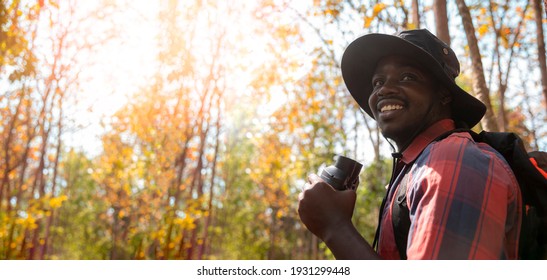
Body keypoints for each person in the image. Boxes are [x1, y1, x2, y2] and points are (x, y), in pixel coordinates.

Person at [297, 29, 522, 260]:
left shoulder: (451, 159)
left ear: (444, 94)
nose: (383, 90)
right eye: (378, 82)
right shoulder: (417, 167)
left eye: (407, 77)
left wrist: (335, 227)